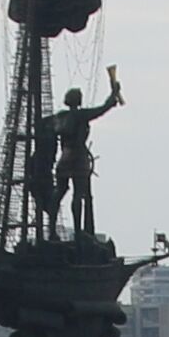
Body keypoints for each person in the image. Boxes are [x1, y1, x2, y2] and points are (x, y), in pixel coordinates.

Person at [46, 76, 121, 238]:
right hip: (79, 157)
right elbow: (101, 109)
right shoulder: (81, 115)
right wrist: (113, 94)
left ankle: (51, 229)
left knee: (59, 192)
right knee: (79, 195)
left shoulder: (60, 117)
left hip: (64, 158)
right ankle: (79, 231)